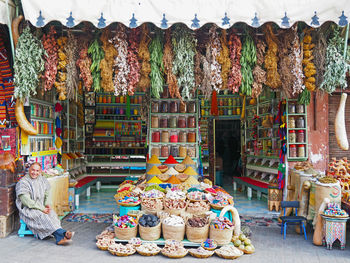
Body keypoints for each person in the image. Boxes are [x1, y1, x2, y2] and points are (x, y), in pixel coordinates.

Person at [15, 162, 74, 245]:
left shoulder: (42, 180)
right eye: (33, 170)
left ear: (40, 172)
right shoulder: (23, 182)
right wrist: (42, 209)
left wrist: (47, 204)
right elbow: (27, 201)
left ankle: (59, 237)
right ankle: (63, 233)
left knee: (52, 214)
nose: (35, 173)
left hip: (40, 206)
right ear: (29, 170)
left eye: (37, 171)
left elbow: (47, 193)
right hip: (28, 209)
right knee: (41, 215)